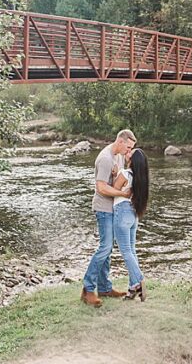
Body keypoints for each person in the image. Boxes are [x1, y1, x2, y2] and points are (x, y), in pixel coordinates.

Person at [81, 128, 136, 307]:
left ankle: (104, 287)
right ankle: (88, 289)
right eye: (128, 147)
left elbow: (117, 178)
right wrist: (123, 193)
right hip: (103, 209)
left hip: (114, 208)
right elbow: (102, 188)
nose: (129, 152)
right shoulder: (105, 158)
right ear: (120, 141)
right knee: (104, 247)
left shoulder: (119, 156)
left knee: (108, 249)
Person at [112, 147, 150, 301]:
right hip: (133, 215)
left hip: (122, 213)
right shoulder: (141, 178)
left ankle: (139, 280)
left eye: (130, 154)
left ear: (133, 160)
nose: (127, 154)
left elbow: (113, 189)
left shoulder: (125, 174)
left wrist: (116, 174)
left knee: (126, 252)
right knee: (131, 252)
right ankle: (132, 289)